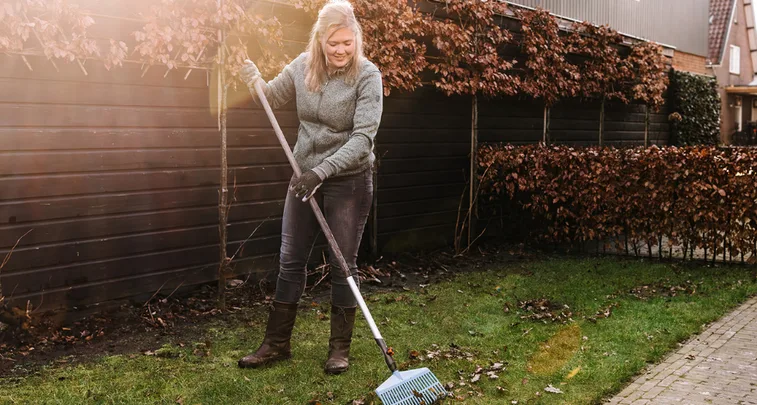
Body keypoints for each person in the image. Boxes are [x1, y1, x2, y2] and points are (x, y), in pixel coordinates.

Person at [237, 0, 383, 375]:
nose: (340, 50)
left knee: (342, 263)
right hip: (304, 175)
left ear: (356, 40)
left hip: (347, 180)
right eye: (333, 43)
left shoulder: (368, 76)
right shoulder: (303, 66)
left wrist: (322, 171)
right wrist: (253, 79)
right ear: (320, 40)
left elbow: (363, 140)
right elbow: (271, 98)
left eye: (347, 43)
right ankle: (276, 345)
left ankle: (339, 350)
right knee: (290, 259)